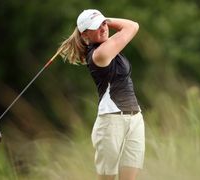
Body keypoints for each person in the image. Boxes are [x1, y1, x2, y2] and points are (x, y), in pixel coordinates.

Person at [59, 9, 145, 180]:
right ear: (85, 35)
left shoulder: (108, 46)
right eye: (96, 26)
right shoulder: (99, 54)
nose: (103, 27)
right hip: (111, 122)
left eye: (104, 23)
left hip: (135, 118)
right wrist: (105, 21)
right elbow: (132, 26)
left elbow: (132, 26)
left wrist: (103, 19)